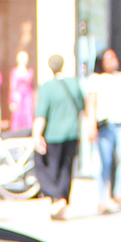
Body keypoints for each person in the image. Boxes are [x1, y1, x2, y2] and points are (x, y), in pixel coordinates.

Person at [87, 46, 121, 212]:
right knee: (105, 161)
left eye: (114, 57)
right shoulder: (96, 79)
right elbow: (91, 104)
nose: (113, 61)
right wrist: (91, 126)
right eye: (108, 58)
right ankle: (101, 199)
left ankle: (119, 192)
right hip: (106, 124)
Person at [31, 54, 83, 218]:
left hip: (53, 135)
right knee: (66, 168)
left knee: (48, 168)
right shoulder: (74, 84)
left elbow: (41, 115)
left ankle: (56, 198)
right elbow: (82, 108)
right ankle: (63, 200)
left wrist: (36, 135)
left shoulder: (47, 87)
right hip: (72, 133)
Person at [7, 49, 35, 136]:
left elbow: (32, 86)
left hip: (27, 98)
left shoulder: (30, 71)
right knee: (17, 117)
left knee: (28, 116)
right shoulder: (14, 72)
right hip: (18, 98)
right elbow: (12, 87)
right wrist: (12, 102)